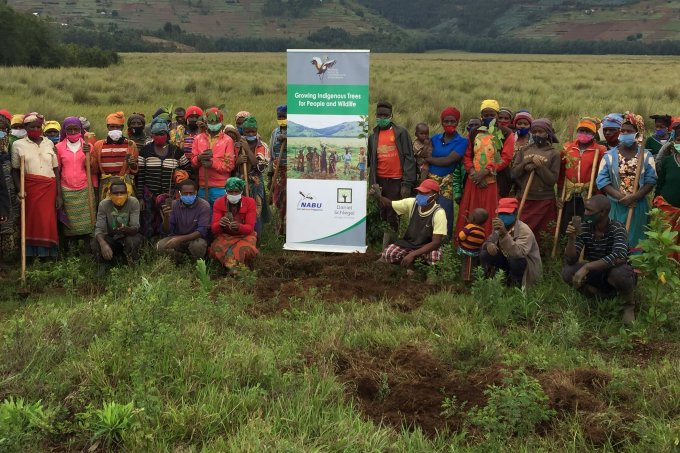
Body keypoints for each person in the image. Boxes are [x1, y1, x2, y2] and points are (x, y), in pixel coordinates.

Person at [561, 194, 637, 324]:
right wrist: (571, 239)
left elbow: (619, 256)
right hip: (596, 271)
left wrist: (586, 267)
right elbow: (570, 259)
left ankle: (629, 306)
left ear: (604, 212)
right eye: (585, 209)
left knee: (620, 274)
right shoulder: (584, 227)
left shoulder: (617, 228)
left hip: (614, 270)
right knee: (567, 272)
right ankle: (597, 294)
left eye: (590, 211)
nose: (585, 213)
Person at [455, 99, 514, 240]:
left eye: (492, 115)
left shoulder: (506, 133)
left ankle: (488, 244)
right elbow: (468, 155)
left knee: (491, 213)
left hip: (493, 182)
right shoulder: (475, 133)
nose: (488, 118)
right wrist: (473, 172)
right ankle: (467, 243)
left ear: (497, 115)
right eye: (485, 115)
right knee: (471, 212)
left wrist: (486, 171)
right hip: (473, 181)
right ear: (481, 116)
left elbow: (506, 158)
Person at [596, 112, 657, 249]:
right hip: (615, 206)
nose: (624, 133)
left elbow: (651, 180)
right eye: (622, 131)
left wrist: (635, 196)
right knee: (615, 241)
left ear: (637, 133)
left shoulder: (646, 156)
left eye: (629, 131)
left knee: (636, 241)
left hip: (637, 206)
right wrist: (621, 197)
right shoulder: (609, 156)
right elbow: (602, 180)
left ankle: (634, 268)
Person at [11, 112, 61, 258]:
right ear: (25, 127)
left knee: (48, 221)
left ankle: (49, 256)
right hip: (30, 189)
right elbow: (15, 171)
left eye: (38, 126)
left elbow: (55, 169)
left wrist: (58, 195)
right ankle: (32, 256)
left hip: (49, 187)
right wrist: (20, 190)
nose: (35, 129)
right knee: (32, 222)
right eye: (31, 126)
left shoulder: (49, 143)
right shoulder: (18, 145)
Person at [367, 101, 416, 246]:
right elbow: (370, 160)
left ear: (391, 116)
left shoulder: (401, 133)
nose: (382, 117)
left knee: (394, 213)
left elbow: (409, 158)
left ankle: (392, 247)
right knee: (381, 212)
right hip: (379, 181)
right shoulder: (373, 137)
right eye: (379, 115)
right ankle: (383, 245)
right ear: (375, 115)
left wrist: (407, 183)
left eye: (385, 115)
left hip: (396, 180)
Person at [372, 178, 446, 270]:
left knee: (435, 257)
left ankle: (426, 273)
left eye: (425, 193)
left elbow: (436, 243)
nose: (421, 195)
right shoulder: (413, 203)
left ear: (435, 196)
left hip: (427, 246)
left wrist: (412, 254)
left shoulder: (439, 213)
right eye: (420, 192)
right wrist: (378, 195)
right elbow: (390, 204)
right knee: (388, 253)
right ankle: (411, 266)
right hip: (410, 243)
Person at [137, 118, 191, 238]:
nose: (159, 136)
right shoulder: (145, 151)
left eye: (162, 134)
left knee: (167, 221)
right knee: (148, 223)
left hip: (169, 195)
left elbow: (188, 168)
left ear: (167, 135)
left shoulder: (176, 151)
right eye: (156, 134)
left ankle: (166, 246)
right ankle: (149, 248)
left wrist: (179, 180)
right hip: (148, 195)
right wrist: (140, 197)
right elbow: (140, 175)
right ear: (152, 135)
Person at [510, 118, 560, 246]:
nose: (537, 135)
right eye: (535, 131)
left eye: (541, 132)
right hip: (525, 198)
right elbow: (514, 173)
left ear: (548, 134)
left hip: (544, 200)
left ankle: (541, 262)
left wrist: (540, 167)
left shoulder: (553, 153)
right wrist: (526, 163)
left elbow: (552, 180)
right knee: (521, 234)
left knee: (542, 236)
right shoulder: (525, 150)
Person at [557, 118, 606, 234]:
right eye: (581, 131)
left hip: (588, 192)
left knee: (586, 221)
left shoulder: (600, 150)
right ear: (577, 131)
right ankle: (565, 245)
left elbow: (601, 175)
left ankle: (583, 247)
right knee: (567, 220)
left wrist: (598, 195)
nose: (584, 134)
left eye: (588, 132)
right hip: (569, 192)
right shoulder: (567, 148)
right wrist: (559, 194)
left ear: (594, 134)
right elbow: (561, 173)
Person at [425, 107, 468, 238]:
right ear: (442, 122)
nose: (449, 124)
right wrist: (430, 159)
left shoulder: (462, 141)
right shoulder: (435, 138)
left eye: (452, 121)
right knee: (427, 210)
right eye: (446, 121)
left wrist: (430, 159)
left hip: (447, 181)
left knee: (444, 211)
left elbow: (448, 161)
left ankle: (444, 241)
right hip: (430, 179)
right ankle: (427, 238)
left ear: (457, 122)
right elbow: (426, 153)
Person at [480, 198, 542, 287]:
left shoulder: (524, 230)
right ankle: (490, 281)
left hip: (525, 266)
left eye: (507, 214)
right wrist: (489, 245)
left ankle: (515, 284)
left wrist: (504, 234)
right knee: (484, 254)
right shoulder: (498, 226)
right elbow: (489, 240)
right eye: (501, 214)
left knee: (515, 260)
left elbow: (518, 253)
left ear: (515, 214)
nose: (503, 217)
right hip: (507, 261)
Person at [55, 116, 95, 243]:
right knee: (69, 225)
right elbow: (58, 170)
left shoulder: (88, 146)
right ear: (64, 130)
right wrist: (59, 194)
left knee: (88, 222)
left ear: (81, 130)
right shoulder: (59, 147)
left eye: (76, 129)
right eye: (69, 129)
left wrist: (88, 155)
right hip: (67, 189)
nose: (72, 132)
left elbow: (92, 168)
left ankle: (87, 249)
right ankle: (71, 249)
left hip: (85, 188)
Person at [92, 178, 144, 275]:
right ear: (110, 194)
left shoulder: (133, 202)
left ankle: (132, 265)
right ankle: (103, 265)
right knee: (96, 241)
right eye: (116, 193)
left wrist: (126, 229)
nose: (119, 196)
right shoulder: (103, 205)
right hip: (112, 239)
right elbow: (99, 229)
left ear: (127, 194)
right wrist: (103, 244)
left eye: (122, 193)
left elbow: (135, 227)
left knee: (134, 240)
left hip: (128, 236)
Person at [209, 177, 258, 273]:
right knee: (217, 248)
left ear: (241, 191)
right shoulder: (219, 202)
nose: (234, 194)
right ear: (226, 191)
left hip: (245, 236)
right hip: (225, 236)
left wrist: (239, 227)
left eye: (237, 192)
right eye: (230, 192)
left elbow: (250, 228)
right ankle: (232, 268)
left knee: (243, 250)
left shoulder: (250, 202)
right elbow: (214, 229)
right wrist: (220, 224)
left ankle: (236, 268)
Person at [157, 179, 210, 261]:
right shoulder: (174, 204)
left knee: (199, 245)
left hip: (194, 239)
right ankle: (182, 259)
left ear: (196, 192)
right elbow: (166, 231)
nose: (188, 196)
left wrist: (180, 239)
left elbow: (202, 231)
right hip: (176, 237)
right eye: (185, 193)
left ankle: (194, 262)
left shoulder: (204, 206)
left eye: (191, 193)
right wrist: (166, 217)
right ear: (180, 193)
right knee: (159, 246)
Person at [191, 107, 236, 206]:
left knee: (218, 217)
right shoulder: (198, 139)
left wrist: (212, 163)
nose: (213, 124)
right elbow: (193, 162)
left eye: (216, 122)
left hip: (220, 187)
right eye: (211, 122)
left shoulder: (227, 140)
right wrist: (199, 158)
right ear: (206, 122)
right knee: (204, 217)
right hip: (203, 186)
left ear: (221, 122)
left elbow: (229, 165)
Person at [91, 111, 139, 198]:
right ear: (107, 127)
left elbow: (135, 170)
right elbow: (94, 169)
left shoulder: (131, 145)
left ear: (122, 127)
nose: (114, 129)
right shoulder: (98, 145)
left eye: (117, 127)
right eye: (112, 127)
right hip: (106, 187)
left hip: (125, 186)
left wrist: (132, 164)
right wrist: (88, 155)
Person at [236, 117, 269, 243]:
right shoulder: (237, 145)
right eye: (247, 132)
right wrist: (237, 161)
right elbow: (232, 165)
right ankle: (242, 238)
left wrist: (248, 150)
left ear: (257, 131)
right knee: (240, 210)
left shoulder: (262, 146)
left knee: (256, 212)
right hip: (240, 182)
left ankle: (256, 239)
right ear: (243, 131)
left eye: (253, 132)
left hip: (255, 184)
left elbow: (259, 166)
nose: (250, 134)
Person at [0, 110, 17, 258]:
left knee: (6, 228)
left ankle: (5, 263)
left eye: (4, 130)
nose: (1, 133)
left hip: (6, 197)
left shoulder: (7, 150)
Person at [268, 105, 287, 235]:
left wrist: (288, 139)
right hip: (277, 173)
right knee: (278, 201)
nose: (281, 119)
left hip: (290, 173)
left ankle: (288, 231)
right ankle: (278, 232)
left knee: (289, 201)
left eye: (284, 117)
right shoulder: (275, 132)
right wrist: (270, 176)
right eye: (279, 117)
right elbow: (271, 155)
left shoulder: (296, 132)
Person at [171, 105, 203, 179]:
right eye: (191, 117)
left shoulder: (204, 132)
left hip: (199, 166)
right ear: (187, 118)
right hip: (183, 166)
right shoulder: (181, 131)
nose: (194, 119)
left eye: (197, 117)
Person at [458, 208, 488, 282]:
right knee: (472, 265)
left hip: (467, 250)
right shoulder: (482, 230)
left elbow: (461, 236)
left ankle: (467, 279)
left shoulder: (470, 227)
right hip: (475, 251)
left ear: (473, 218)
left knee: (467, 265)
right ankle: (473, 278)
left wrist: (459, 239)